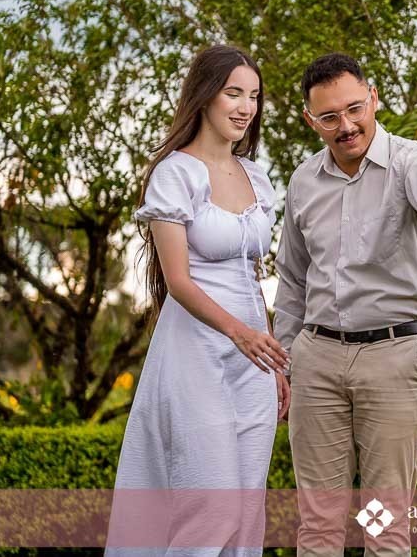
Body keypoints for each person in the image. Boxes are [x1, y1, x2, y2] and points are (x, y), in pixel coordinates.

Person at [106, 45, 290, 557]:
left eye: (253, 96)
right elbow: (179, 282)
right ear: (205, 96)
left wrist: (271, 354)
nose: (245, 107)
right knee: (213, 508)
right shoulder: (175, 174)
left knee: (248, 510)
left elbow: (255, 277)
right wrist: (241, 333)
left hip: (253, 359)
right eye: (234, 93)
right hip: (195, 355)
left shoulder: (257, 176)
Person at [274, 53, 417, 557]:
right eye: (329, 117)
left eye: (355, 109)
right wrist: (287, 361)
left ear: (373, 99)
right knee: (318, 527)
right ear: (311, 121)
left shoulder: (412, 162)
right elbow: (291, 277)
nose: (346, 126)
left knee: (384, 526)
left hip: (394, 357)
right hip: (317, 360)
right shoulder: (304, 182)